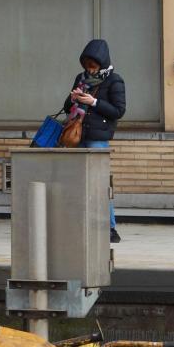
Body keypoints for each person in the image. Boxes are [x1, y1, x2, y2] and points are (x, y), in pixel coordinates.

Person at [65, 39, 126, 243]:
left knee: (99, 185)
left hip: (98, 138)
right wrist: (73, 98)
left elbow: (119, 111)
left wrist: (94, 102)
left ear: (102, 63)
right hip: (78, 136)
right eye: (86, 66)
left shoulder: (114, 80)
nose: (89, 70)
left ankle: (110, 228)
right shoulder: (80, 79)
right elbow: (66, 108)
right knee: (79, 183)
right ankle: (83, 225)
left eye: (93, 66)